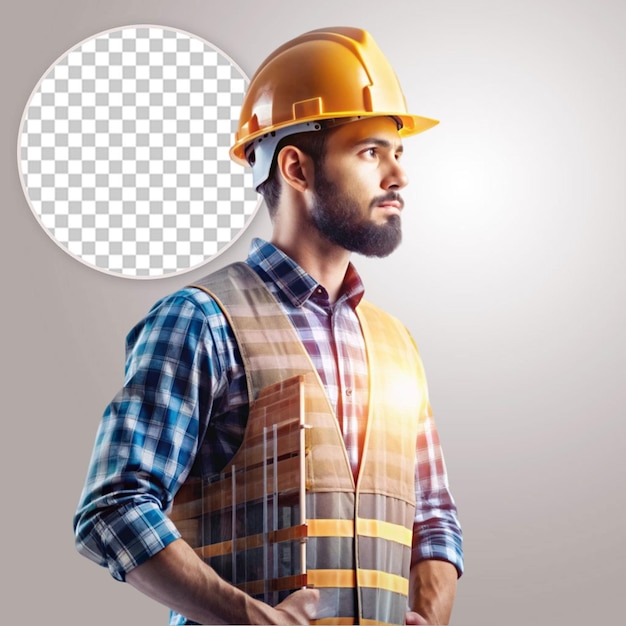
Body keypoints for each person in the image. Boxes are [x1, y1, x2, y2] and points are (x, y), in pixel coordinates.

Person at [74, 26, 463, 625]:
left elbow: (433, 516)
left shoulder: (396, 346)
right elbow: (114, 507)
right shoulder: (201, 321)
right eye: (370, 152)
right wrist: (250, 618)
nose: (398, 176)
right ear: (296, 169)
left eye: (399, 151)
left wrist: (431, 617)